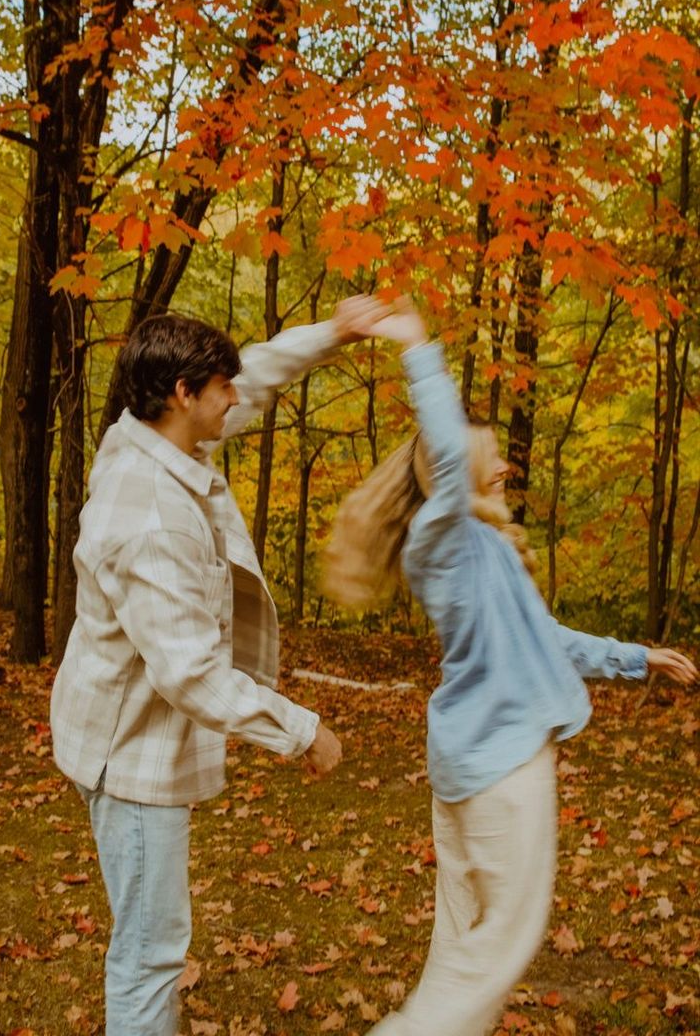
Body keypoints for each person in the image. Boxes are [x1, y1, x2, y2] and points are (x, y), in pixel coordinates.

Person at [323, 297, 698, 1036]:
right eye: (486, 452)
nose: (503, 461)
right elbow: (444, 446)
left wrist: (637, 658)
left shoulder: (485, 551)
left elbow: (548, 640)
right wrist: (416, 347)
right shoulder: (447, 545)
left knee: (462, 946)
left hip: (473, 767)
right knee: (496, 948)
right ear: (453, 471)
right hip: (502, 769)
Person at [50, 295, 380, 1036]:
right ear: (183, 395)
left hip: (127, 727)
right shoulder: (150, 517)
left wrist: (333, 334)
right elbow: (191, 674)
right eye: (220, 390)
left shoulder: (151, 433)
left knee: (149, 940)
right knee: (150, 950)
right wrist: (301, 730)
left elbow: (254, 375)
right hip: (128, 758)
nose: (237, 399)